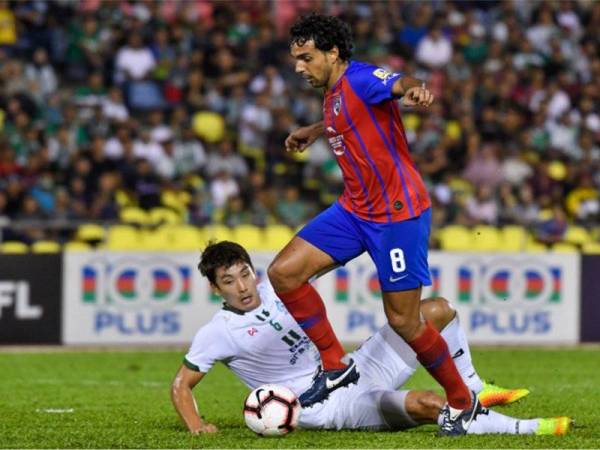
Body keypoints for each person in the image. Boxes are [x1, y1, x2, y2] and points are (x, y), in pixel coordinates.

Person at [266, 13, 475, 434]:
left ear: (333, 53)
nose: (298, 67)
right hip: (355, 210)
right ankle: (334, 365)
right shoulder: (332, 92)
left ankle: (462, 400)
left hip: (397, 215)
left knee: (405, 321)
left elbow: (398, 82)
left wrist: (414, 88)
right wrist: (314, 129)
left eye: (306, 58)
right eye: (295, 59)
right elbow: (348, 119)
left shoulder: (360, 78)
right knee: (283, 273)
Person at [170, 241, 571, 436]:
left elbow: (323, 258)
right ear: (214, 288)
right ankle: (523, 429)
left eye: (244, 273)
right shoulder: (216, 333)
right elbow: (181, 386)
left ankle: (474, 387)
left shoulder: (278, 287)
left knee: (436, 309)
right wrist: (196, 425)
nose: (242, 286)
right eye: (228, 281)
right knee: (430, 404)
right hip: (326, 405)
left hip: (354, 368)